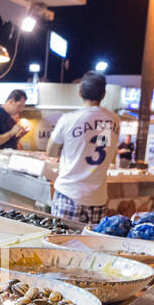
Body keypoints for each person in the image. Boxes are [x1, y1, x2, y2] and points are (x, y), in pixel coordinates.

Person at [47, 71, 120, 225]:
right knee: (90, 246)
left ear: (80, 92)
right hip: (97, 198)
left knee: (61, 244)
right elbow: (105, 147)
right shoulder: (113, 121)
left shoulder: (68, 119)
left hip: (68, 193)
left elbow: (51, 151)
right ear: (103, 94)